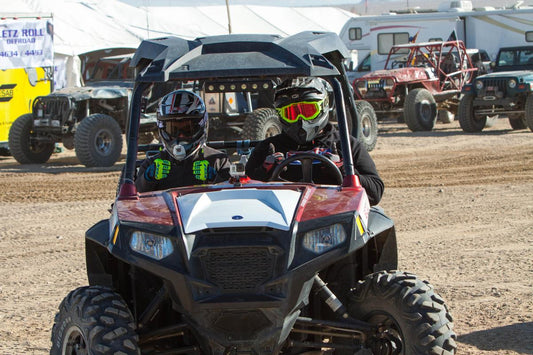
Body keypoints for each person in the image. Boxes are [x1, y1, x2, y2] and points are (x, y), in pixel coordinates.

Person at [245, 77, 384, 205]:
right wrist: (264, 171)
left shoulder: (346, 145)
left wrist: (345, 171)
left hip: (332, 214)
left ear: (323, 107)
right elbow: (245, 194)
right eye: (291, 114)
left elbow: (375, 191)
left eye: (308, 110)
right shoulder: (269, 147)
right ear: (281, 116)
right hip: (282, 220)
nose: (301, 120)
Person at [135, 90, 230, 192]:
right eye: (173, 130)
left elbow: (232, 197)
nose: (180, 136)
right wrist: (147, 179)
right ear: (162, 129)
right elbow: (132, 200)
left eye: (187, 129)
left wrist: (216, 180)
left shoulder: (218, 161)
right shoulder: (152, 164)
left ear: (201, 126)